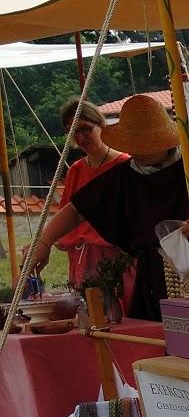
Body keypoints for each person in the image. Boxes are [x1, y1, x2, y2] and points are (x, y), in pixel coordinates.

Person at [26, 94, 189, 321]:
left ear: (164, 141)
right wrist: (43, 244)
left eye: (144, 145)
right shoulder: (124, 175)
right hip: (157, 281)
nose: (136, 151)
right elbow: (76, 211)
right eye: (132, 145)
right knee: (160, 342)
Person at [53, 97, 135, 310]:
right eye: (73, 132)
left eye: (85, 129)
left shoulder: (124, 165)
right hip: (83, 258)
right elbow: (66, 217)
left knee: (121, 315)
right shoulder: (76, 170)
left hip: (117, 258)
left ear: (102, 126)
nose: (80, 137)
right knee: (89, 316)